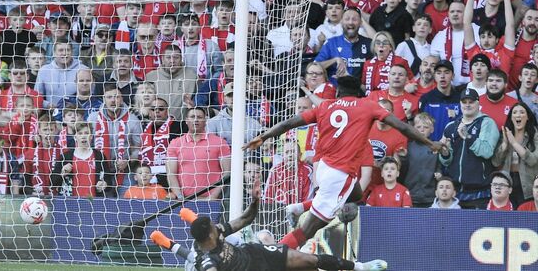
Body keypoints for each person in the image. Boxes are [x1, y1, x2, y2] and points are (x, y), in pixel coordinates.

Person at [243, 75, 442, 250]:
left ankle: (299, 208)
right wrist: (429, 142)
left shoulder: (324, 106)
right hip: (339, 174)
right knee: (309, 229)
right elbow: (402, 126)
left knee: (355, 194)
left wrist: (265, 135)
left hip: (324, 168)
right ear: (359, 93)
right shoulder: (367, 105)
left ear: (338, 92)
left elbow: (290, 123)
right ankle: (274, 253)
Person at [182, 178, 388, 271]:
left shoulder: (217, 232)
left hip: (258, 253)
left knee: (308, 260)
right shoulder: (206, 261)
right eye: (212, 227)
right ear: (208, 237)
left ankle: (360, 267)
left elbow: (245, 219)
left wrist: (255, 201)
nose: (217, 227)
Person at [439, 88, 500, 209]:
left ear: (478, 103)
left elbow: (486, 152)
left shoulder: (486, 122)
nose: (467, 105)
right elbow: (446, 161)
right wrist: (445, 154)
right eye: (464, 102)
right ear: (460, 104)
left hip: (479, 193)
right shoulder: (451, 126)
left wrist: (468, 137)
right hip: (455, 193)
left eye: (471, 102)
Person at [87, 83, 142, 194]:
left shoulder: (133, 119)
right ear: (104, 99)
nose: (113, 100)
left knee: (128, 203)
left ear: (121, 99)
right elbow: (87, 144)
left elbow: (139, 147)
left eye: (117, 97)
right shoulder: (93, 118)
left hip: (125, 171)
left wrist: (128, 160)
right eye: (109, 97)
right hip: (99, 171)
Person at [166, 107, 231, 200]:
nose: (196, 120)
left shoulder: (220, 142)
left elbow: (226, 173)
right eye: (192, 117)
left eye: (200, 117)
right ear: (186, 120)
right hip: (183, 200)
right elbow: (171, 173)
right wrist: (179, 196)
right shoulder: (175, 143)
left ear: (205, 120)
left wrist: (213, 196)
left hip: (212, 201)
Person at [492, 102, 538, 207]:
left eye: (522, 112)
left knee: (525, 217)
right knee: (509, 218)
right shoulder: (505, 134)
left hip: (528, 183)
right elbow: (495, 162)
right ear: (511, 118)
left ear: (527, 117)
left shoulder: (535, 135)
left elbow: (533, 160)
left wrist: (514, 143)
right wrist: (504, 145)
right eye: (515, 113)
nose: (518, 115)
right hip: (507, 182)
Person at [51, 122, 112, 197]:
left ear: (91, 136)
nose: (83, 136)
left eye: (86, 133)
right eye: (80, 133)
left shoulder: (99, 156)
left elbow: (109, 181)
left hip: (94, 203)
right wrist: (62, 173)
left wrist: (104, 185)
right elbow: (52, 182)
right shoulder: (65, 157)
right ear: (75, 137)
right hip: (71, 204)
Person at [314, 8, 373, 85]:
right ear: (341, 22)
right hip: (334, 92)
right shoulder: (331, 43)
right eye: (347, 19)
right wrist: (335, 60)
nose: (350, 22)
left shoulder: (368, 43)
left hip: (359, 92)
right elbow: (315, 67)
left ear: (360, 23)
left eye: (354, 19)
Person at [139, 97, 186, 188]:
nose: (157, 112)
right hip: (147, 179)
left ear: (167, 111)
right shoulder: (143, 129)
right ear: (149, 112)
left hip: (173, 177)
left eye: (160, 109)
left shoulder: (180, 127)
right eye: (153, 109)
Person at [145, 45, 198, 120]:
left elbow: (199, 103)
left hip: (181, 126)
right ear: (162, 59)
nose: (172, 61)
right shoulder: (151, 77)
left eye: (176, 57)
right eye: (168, 57)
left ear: (181, 59)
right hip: (156, 125)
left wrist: (192, 105)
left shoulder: (192, 77)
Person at [403, 113, 442, 207]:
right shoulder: (407, 147)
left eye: (426, 127)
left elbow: (439, 167)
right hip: (410, 195)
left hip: (430, 196)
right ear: (413, 129)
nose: (422, 130)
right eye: (418, 127)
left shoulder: (436, 147)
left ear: (432, 129)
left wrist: (439, 173)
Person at [35, 42, 88, 108]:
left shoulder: (83, 69)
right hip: (51, 113)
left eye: (68, 50)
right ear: (54, 53)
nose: (64, 53)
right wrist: (47, 105)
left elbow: (91, 95)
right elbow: (36, 96)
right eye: (61, 50)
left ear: (72, 52)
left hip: (77, 113)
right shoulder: (44, 70)